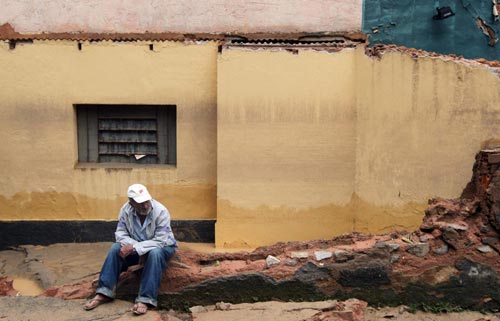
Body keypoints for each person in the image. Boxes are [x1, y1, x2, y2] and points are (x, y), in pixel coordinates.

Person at [84, 183, 177, 315]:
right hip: (137, 246)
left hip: (163, 247)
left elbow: (160, 240)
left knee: (155, 253)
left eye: (146, 201)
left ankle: (146, 298)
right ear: (131, 202)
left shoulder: (161, 211)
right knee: (115, 248)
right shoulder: (125, 210)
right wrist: (133, 247)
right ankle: (105, 291)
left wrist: (134, 247)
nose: (145, 205)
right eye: (140, 203)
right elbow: (120, 234)